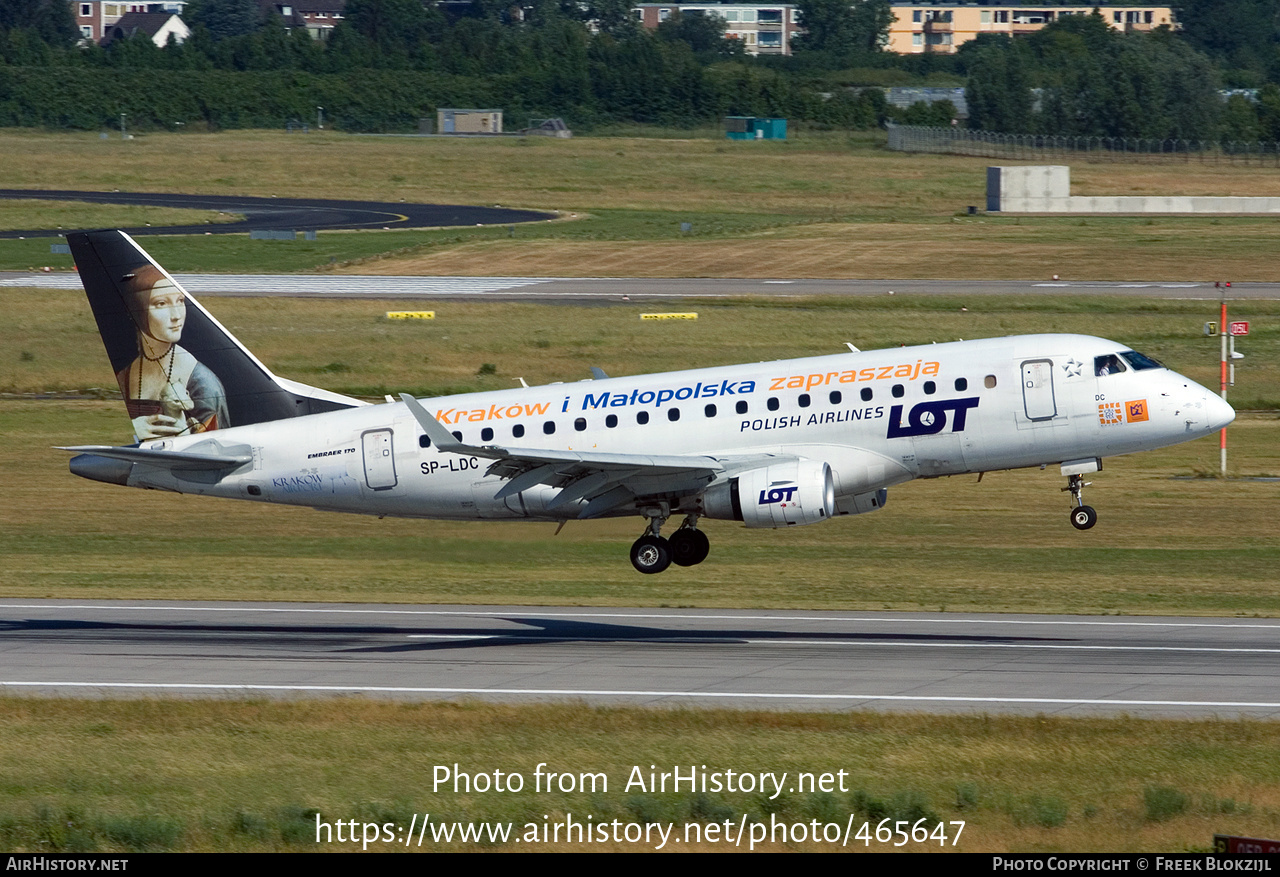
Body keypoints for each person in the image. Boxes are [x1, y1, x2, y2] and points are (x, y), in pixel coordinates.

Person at [115, 264, 230, 441]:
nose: (176, 315)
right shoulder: (124, 377)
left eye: (180, 301)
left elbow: (218, 445)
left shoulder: (202, 384)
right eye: (161, 304)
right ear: (136, 310)